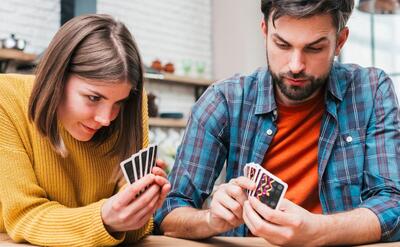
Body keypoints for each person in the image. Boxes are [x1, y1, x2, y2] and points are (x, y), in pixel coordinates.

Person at [155, 0, 400, 245]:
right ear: (264, 31)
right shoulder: (224, 100)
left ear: (340, 41)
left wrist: (318, 231)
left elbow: (393, 203)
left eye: (314, 48)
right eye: (282, 44)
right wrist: (210, 219)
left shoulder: (371, 90)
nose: (295, 66)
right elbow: (168, 210)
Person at [0, 14, 171, 246]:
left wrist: (140, 207)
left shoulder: (131, 105)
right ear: (57, 77)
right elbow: (24, 216)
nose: (106, 119)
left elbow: (134, 233)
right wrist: (105, 219)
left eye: (118, 103)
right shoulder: (5, 99)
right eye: (93, 97)